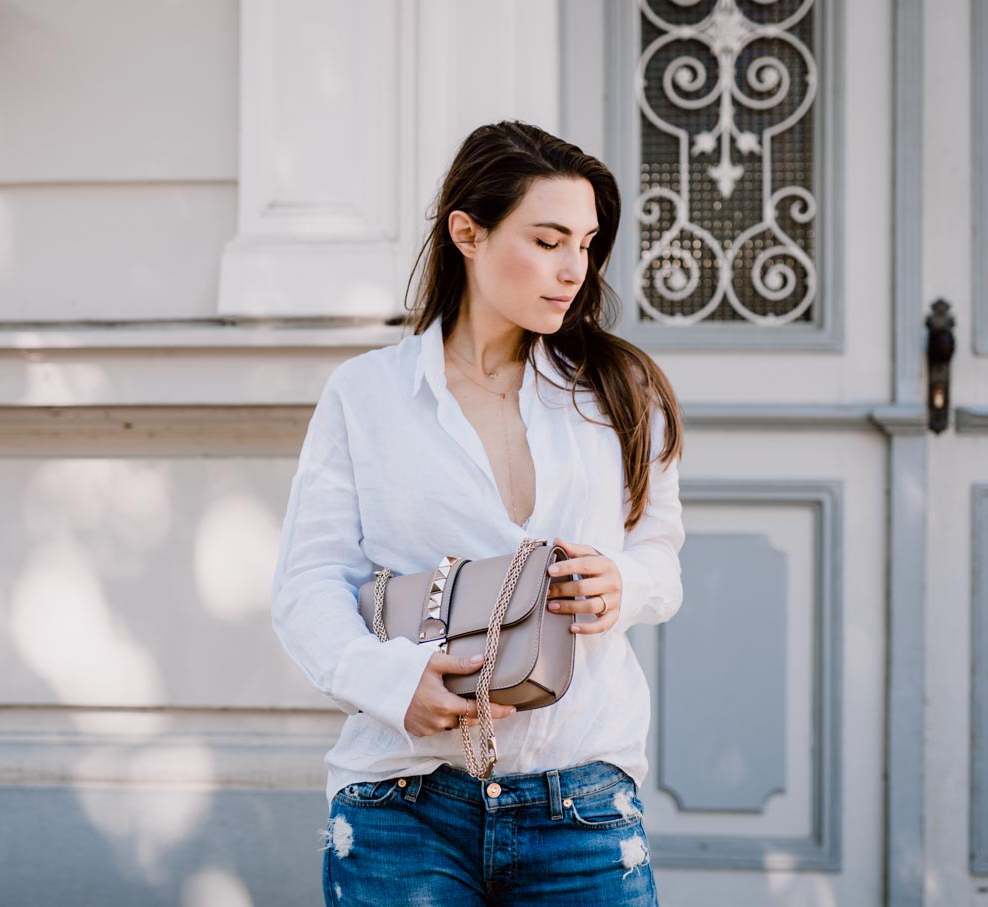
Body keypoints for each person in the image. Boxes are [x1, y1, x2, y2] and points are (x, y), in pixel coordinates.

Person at [270, 120, 685, 906]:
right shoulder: (366, 396)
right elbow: (308, 584)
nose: (574, 269)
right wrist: (393, 683)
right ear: (467, 230)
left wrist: (621, 584)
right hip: (404, 802)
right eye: (549, 239)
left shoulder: (621, 390)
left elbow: (662, 556)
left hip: (583, 803)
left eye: (588, 243)